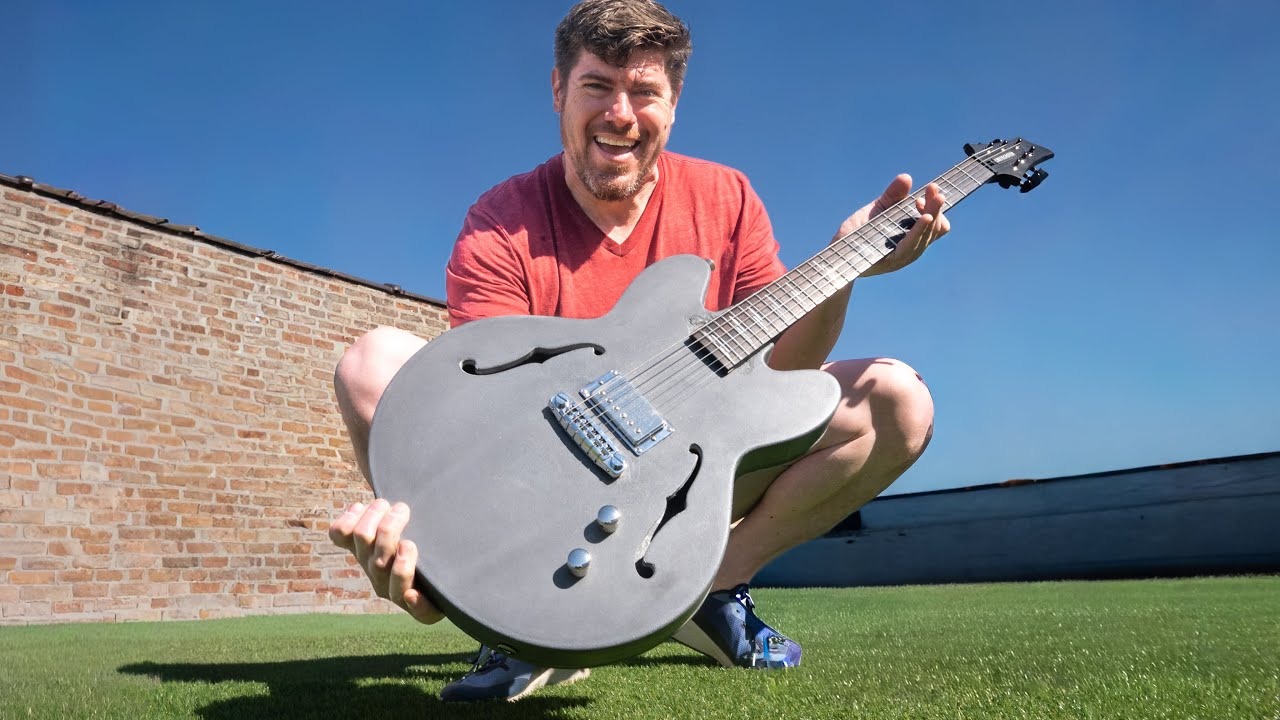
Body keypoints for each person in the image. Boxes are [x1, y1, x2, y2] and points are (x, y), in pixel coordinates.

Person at [328, 0, 947, 703]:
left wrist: (845, 266)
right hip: (536, 479)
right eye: (596, 86)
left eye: (644, 92)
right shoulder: (499, 220)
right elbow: (484, 413)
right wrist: (436, 566)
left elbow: (785, 378)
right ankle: (511, 616)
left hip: (693, 470)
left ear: (673, 105)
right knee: (371, 363)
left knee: (897, 401)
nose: (620, 114)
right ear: (558, 90)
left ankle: (711, 590)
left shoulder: (726, 195)